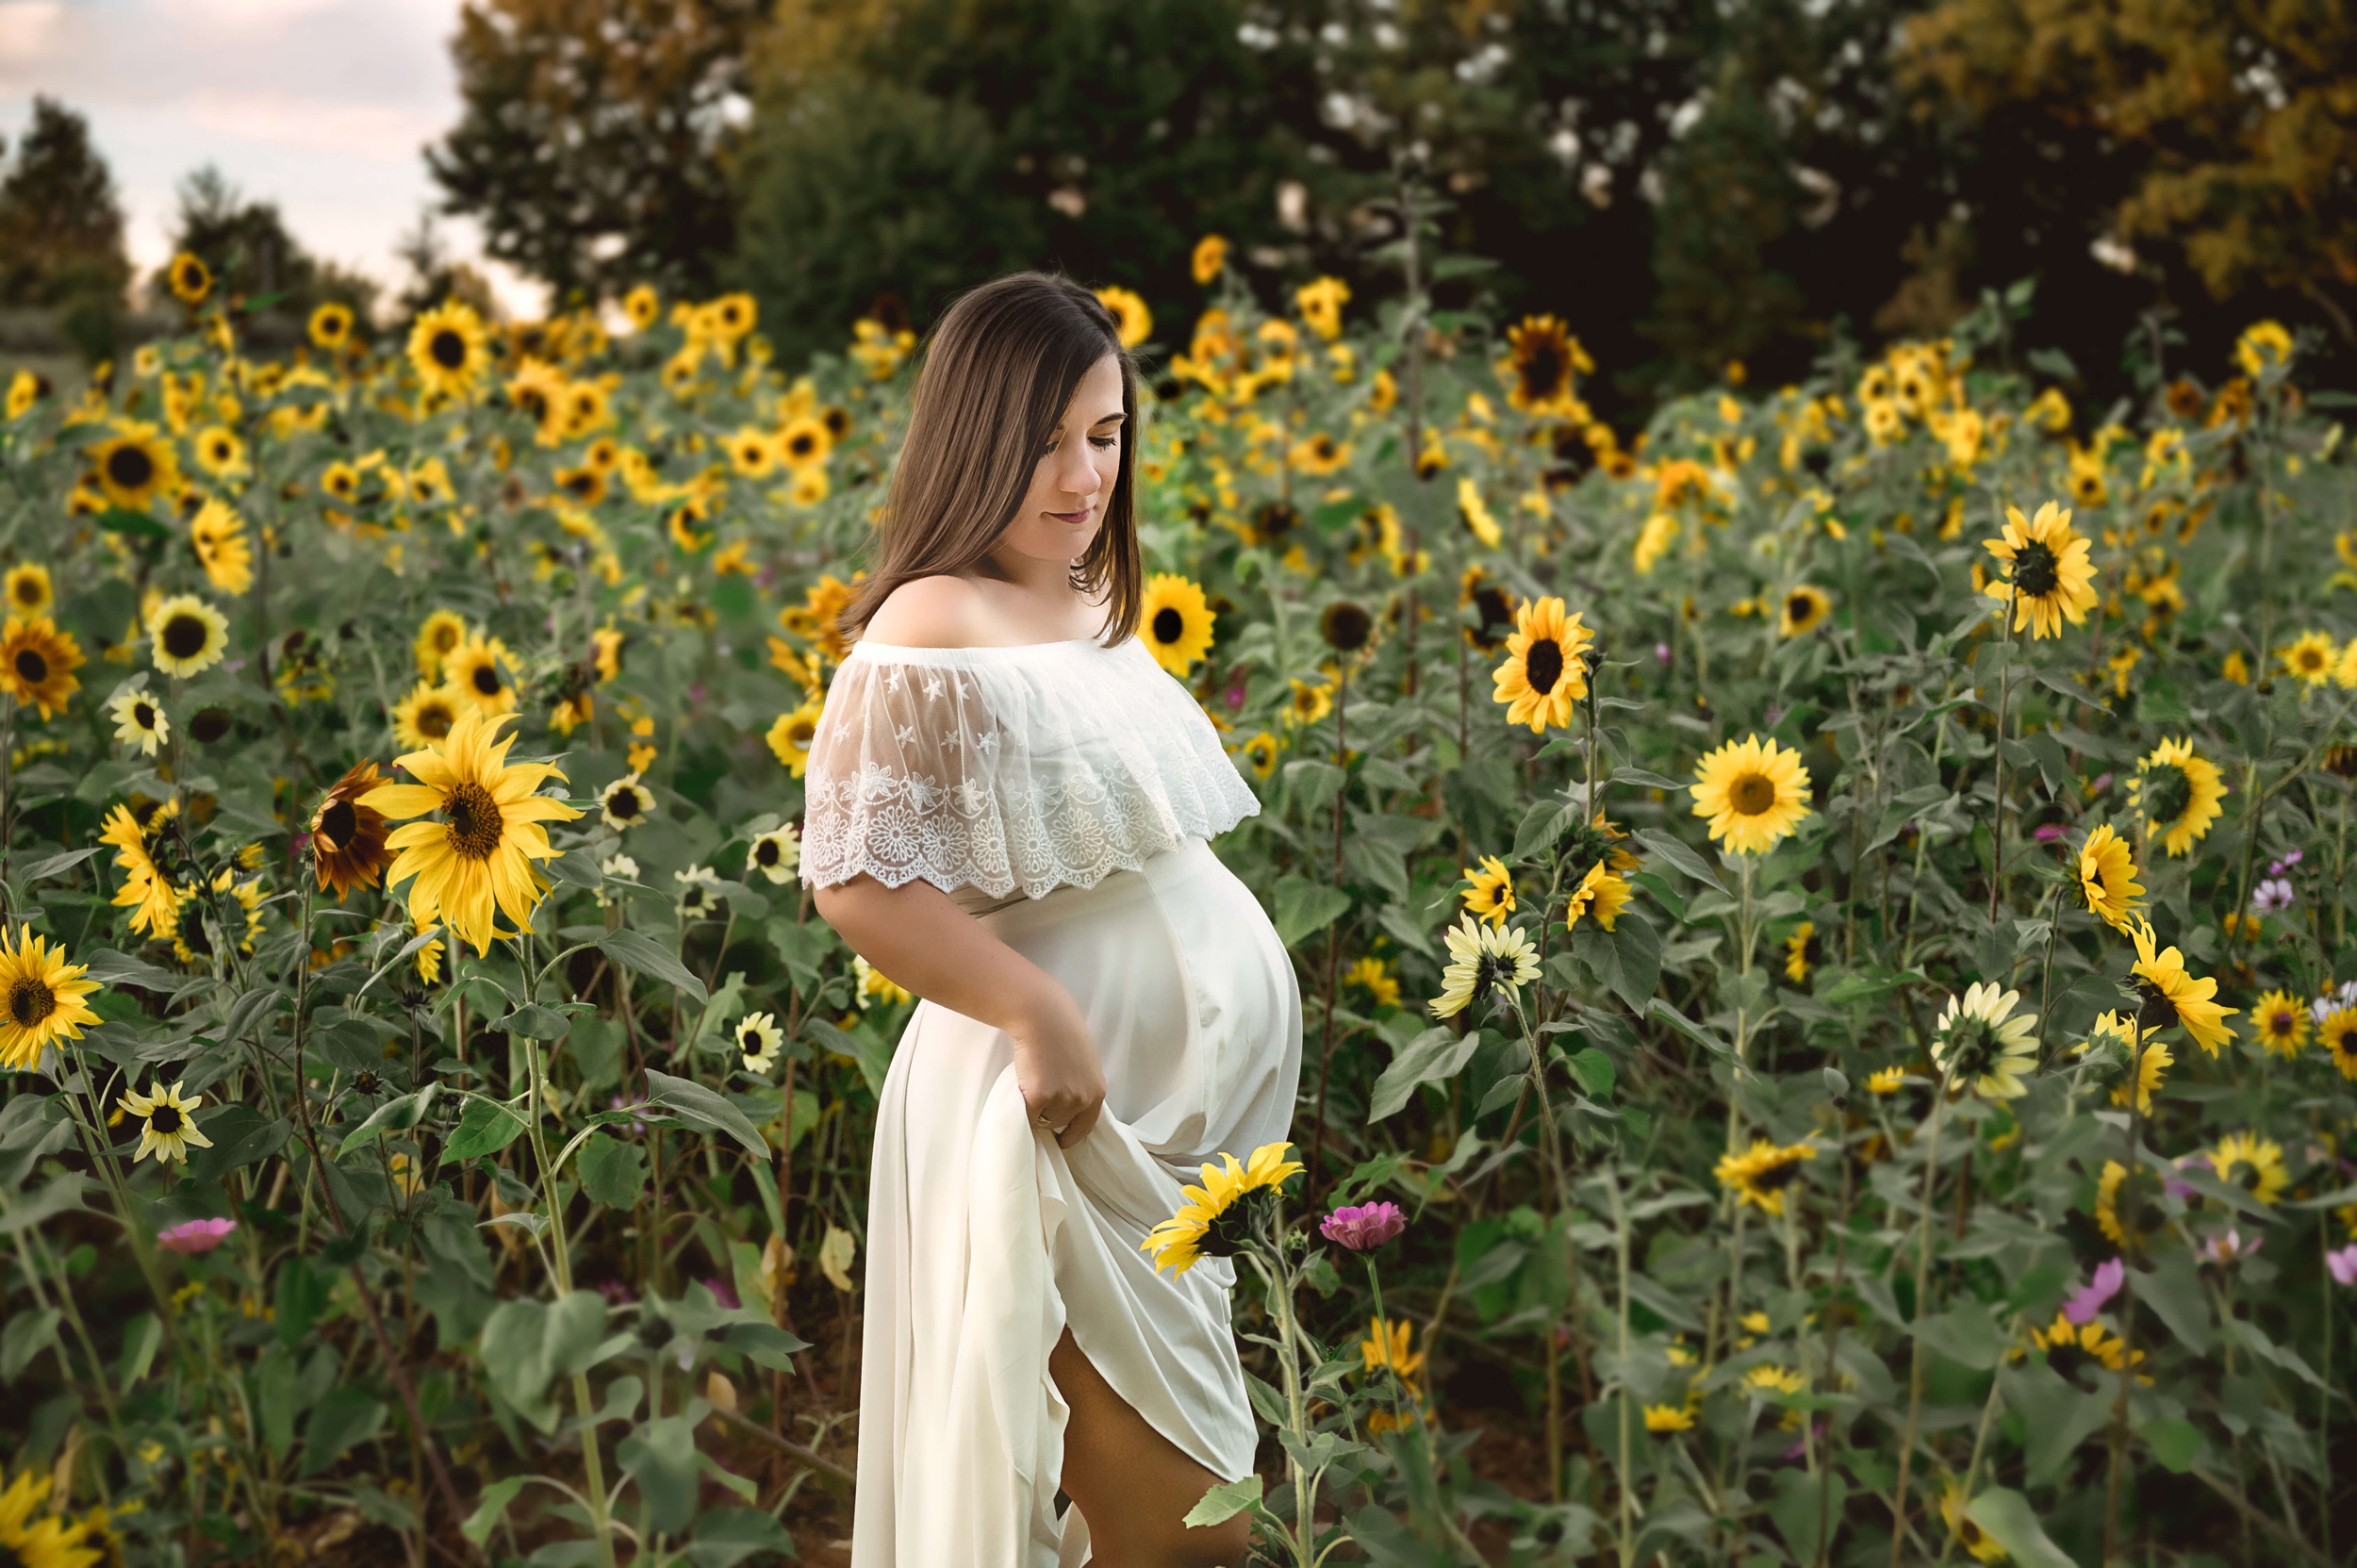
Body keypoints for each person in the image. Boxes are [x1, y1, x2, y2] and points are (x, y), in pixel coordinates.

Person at [808, 272, 1302, 1568]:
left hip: (1160, 1136)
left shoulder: (1088, 600)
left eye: (1104, 433)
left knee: (1179, 1522)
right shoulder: (932, 623)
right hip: (1049, 1124)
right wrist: (1037, 1012)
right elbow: (856, 879)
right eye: (1043, 440)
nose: (1082, 474)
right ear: (973, 435)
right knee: (1187, 1535)